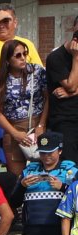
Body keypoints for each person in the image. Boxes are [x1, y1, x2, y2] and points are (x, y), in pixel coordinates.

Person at [0, 39, 49, 177]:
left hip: (37, 125)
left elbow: (47, 98)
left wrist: (41, 125)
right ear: (7, 60)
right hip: (13, 129)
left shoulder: (37, 71)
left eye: (25, 53)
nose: (23, 58)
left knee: (44, 172)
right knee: (17, 177)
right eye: (17, 55)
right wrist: (14, 133)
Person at [46, 17, 78, 162]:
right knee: (70, 164)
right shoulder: (56, 57)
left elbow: (72, 89)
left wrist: (74, 92)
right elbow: (70, 85)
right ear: (74, 28)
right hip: (65, 120)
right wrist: (76, 58)